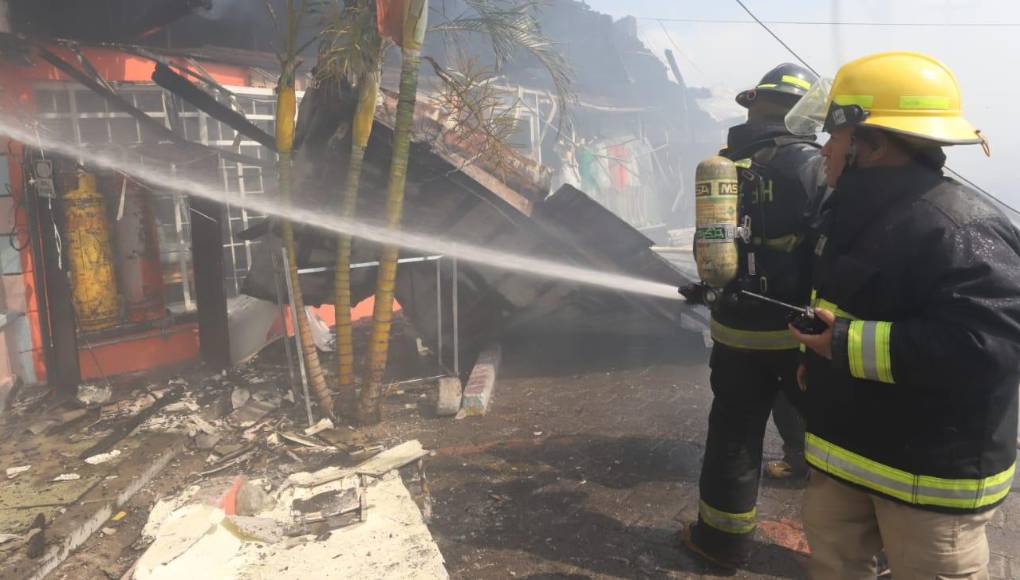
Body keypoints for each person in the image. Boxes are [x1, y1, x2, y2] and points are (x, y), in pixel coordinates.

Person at [787, 51, 1020, 579]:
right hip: (845, 452)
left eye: (835, 135)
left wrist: (842, 345)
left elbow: (988, 348)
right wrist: (815, 356)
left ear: (872, 145)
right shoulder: (845, 212)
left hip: (929, 478)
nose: (824, 149)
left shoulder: (961, 227)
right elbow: (845, 302)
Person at [679, 63, 826, 568]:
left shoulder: (723, 165)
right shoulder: (816, 166)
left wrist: (708, 285)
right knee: (835, 437)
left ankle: (721, 543)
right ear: (803, 113)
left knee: (734, 435)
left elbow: (710, 244)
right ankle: (859, 552)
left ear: (756, 106)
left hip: (735, 331)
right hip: (801, 333)